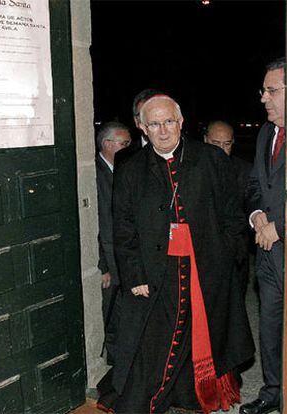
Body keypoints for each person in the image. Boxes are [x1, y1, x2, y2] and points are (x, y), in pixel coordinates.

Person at [97, 95, 254, 414]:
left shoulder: (211, 159)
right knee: (155, 341)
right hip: (155, 272)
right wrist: (134, 275)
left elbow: (232, 215)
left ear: (181, 123)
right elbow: (122, 228)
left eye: (169, 121)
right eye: (154, 124)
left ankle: (189, 396)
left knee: (200, 335)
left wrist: (225, 256)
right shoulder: (130, 170)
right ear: (142, 127)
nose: (163, 130)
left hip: (205, 268)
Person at [239, 57, 287, 414]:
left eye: (271, 90)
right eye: (263, 90)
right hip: (267, 252)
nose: (263, 98)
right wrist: (257, 216)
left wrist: (279, 226)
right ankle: (273, 390)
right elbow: (256, 183)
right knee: (269, 323)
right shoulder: (265, 133)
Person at [95, 121, 131, 365]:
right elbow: (94, 222)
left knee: (120, 312)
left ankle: (118, 361)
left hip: (121, 256)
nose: (129, 148)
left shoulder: (120, 170)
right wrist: (102, 265)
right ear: (108, 144)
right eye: (124, 144)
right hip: (108, 259)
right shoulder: (95, 173)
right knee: (107, 314)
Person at [204, 120, 252, 295]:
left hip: (235, 254)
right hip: (202, 253)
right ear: (205, 140)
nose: (221, 150)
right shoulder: (192, 170)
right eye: (215, 144)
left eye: (227, 144)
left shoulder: (246, 171)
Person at [114, 88, 163, 168]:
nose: (151, 119)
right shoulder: (124, 157)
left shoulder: (185, 151)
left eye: (156, 113)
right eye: (144, 114)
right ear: (136, 121)